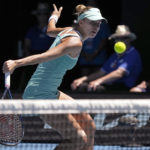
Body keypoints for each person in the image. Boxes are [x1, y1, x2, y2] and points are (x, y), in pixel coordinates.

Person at [3, 4, 107, 150]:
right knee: (78, 140)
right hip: (39, 95)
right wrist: (16, 63)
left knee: (89, 125)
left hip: (50, 90)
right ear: (81, 22)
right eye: (92, 22)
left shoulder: (68, 30)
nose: (96, 27)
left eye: (98, 23)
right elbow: (44, 57)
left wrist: (54, 17)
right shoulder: (74, 42)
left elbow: (50, 30)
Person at [71, 25, 142, 92]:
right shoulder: (114, 56)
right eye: (117, 38)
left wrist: (99, 81)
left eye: (124, 38)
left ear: (129, 40)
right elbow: (101, 72)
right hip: (111, 86)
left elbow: (119, 73)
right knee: (82, 86)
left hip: (125, 89)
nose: (120, 40)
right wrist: (83, 79)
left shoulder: (133, 54)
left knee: (96, 88)